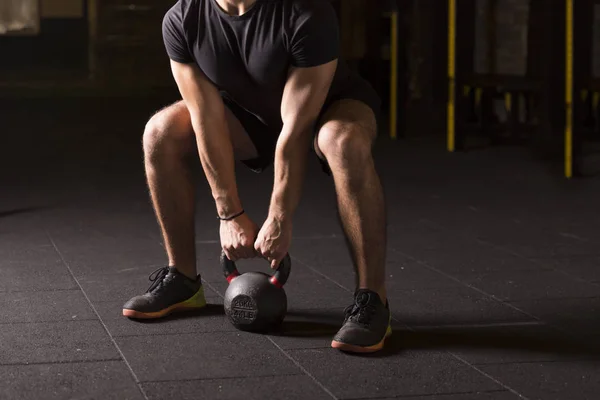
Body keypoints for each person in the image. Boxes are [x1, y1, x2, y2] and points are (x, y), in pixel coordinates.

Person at [122, 0, 390, 353]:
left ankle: (373, 299)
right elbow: (206, 117)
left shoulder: (306, 12)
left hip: (328, 107)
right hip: (248, 116)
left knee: (344, 142)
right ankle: (183, 280)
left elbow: (296, 129)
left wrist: (280, 216)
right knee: (160, 132)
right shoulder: (183, 19)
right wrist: (229, 213)